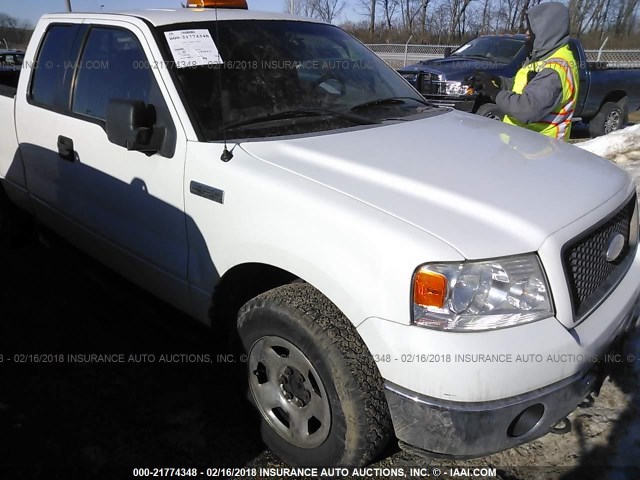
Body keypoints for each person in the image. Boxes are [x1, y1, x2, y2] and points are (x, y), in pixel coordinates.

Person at [474, 2, 579, 141]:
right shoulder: (543, 59)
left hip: (540, 151)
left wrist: (495, 92)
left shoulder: (554, 69)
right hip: (522, 147)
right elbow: (522, 86)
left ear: (545, 31)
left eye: (531, 29)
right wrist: (496, 81)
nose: (527, 33)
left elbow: (526, 109)